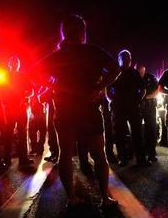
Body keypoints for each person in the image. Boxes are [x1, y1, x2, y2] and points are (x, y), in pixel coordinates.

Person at [35, 14, 121, 207]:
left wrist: (54, 84)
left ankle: (72, 199)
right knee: (99, 155)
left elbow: (34, 72)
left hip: (64, 110)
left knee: (65, 155)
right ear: (82, 32)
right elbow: (116, 68)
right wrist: (99, 87)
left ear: (64, 33)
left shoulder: (58, 55)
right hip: (88, 108)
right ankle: (104, 199)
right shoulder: (91, 51)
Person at [108, 50, 148, 167]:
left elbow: (143, 89)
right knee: (120, 135)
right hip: (118, 109)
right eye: (125, 59)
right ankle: (122, 158)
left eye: (129, 59)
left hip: (133, 108)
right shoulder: (114, 72)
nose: (127, 61)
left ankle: (141, 159)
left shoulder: (134, 73)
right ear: (119, 59)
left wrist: (138, 100)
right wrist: (112, 101)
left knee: (137, 134)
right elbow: (107, 89)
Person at [1, 56, 34, 167]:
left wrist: (24, 96)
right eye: (14, 63)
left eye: (16, 63)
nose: (15, 65)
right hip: (14, 108)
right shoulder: (11, 76)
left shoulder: (12, 76)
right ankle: (18, 159)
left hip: (16, 108)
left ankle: (12, 159)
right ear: (11, 64)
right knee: (14, 134)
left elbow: (31, 91)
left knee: (16, 134)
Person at [138, 64, 159, 162]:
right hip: (137, 107)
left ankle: (152, 153)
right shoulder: (132, 76)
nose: (141, 74)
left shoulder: (151, 77)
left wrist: (146, 97)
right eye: (139, 72)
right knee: (136, 131)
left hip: (149, 106)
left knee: (151, 129)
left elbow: (157, 91)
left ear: (144, 70)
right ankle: (139, 153)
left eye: (142, 72)